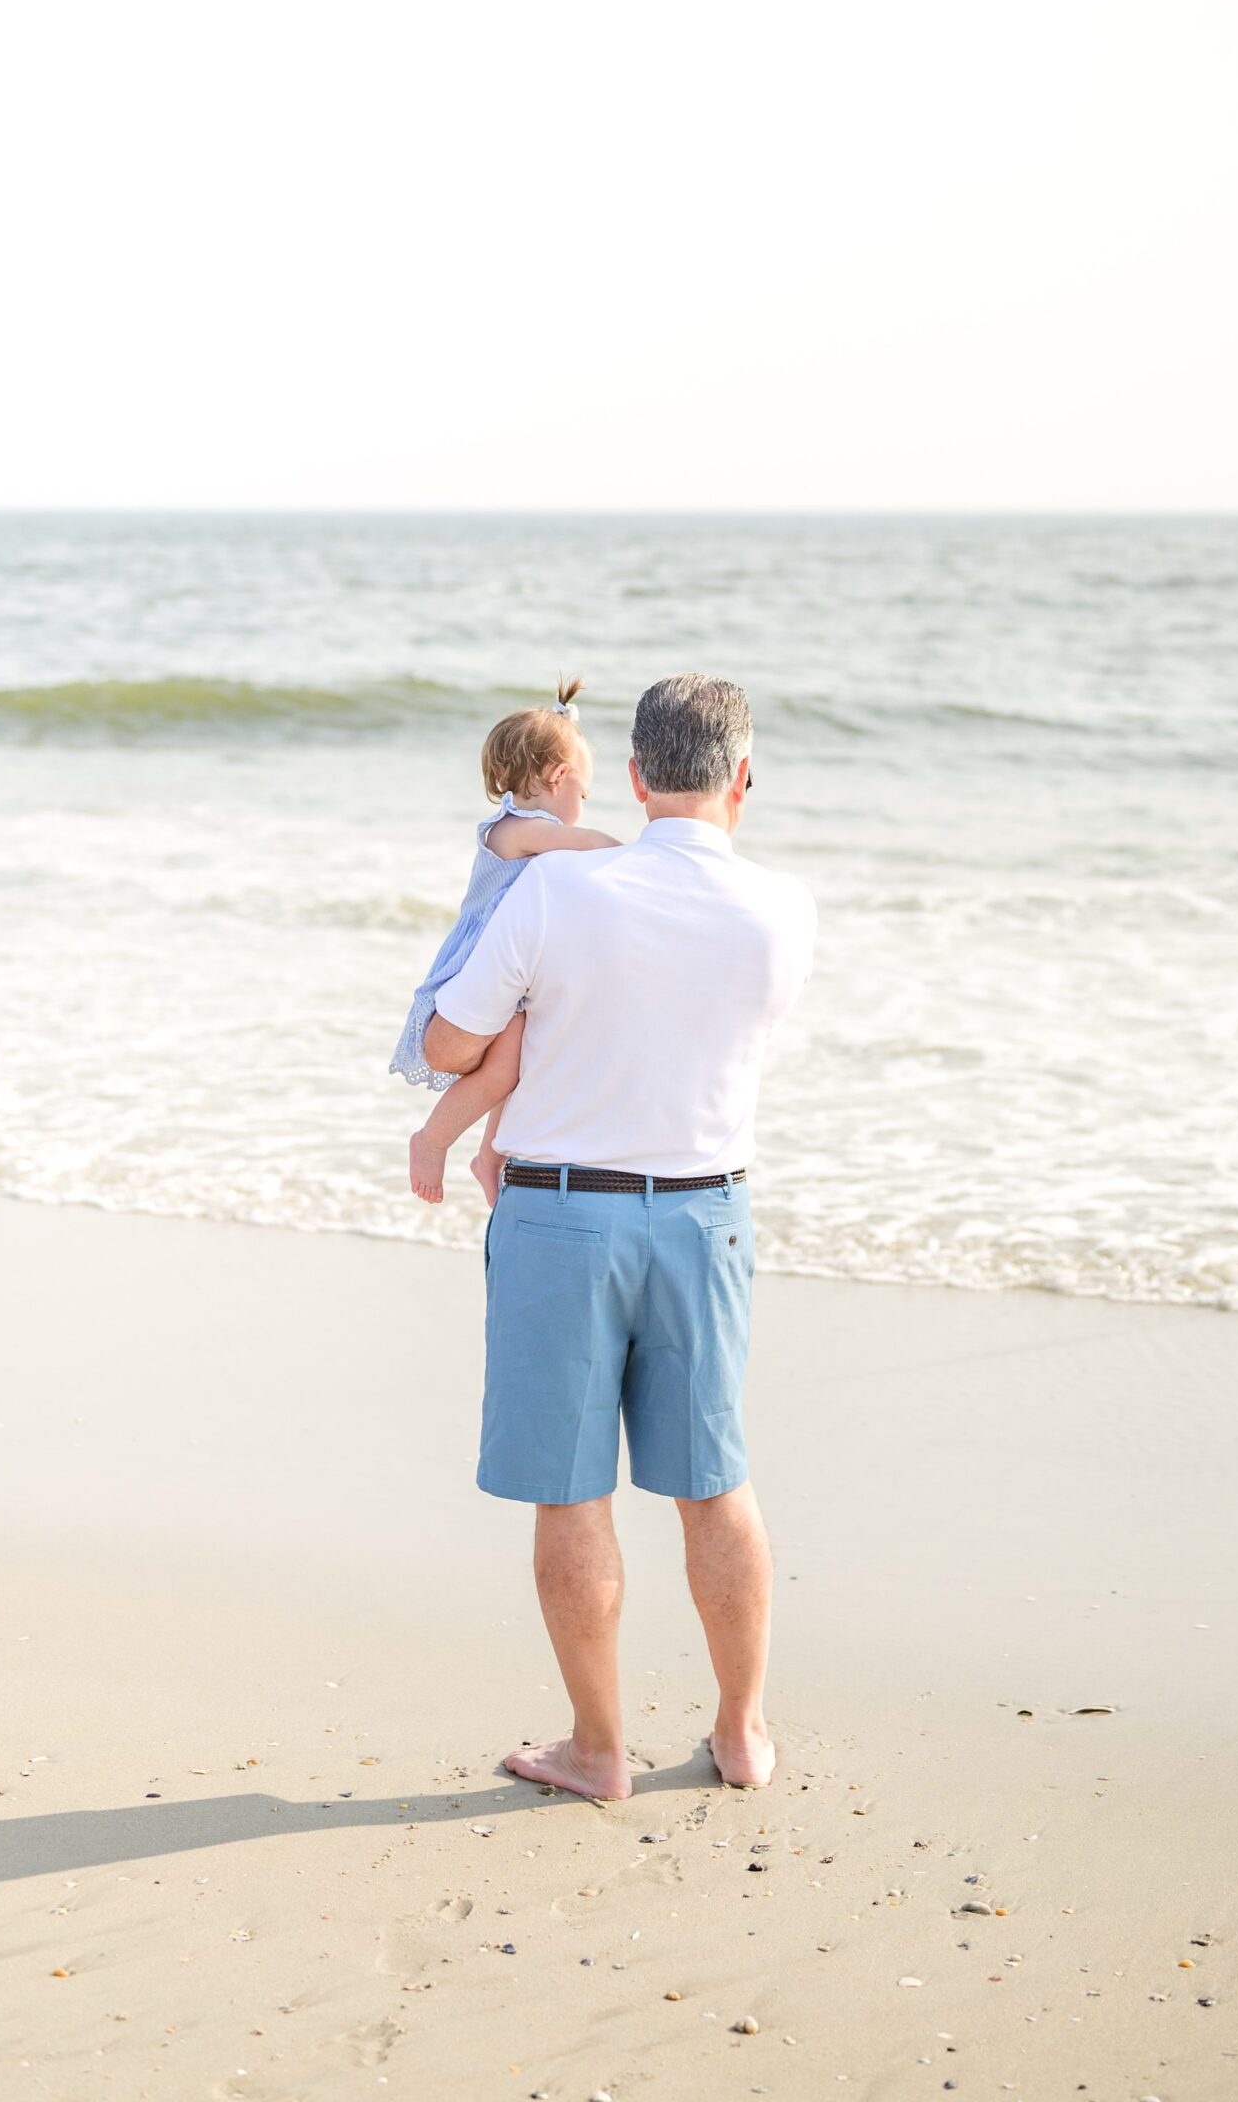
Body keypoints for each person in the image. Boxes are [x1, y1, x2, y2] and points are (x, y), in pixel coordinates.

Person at [424, 673, 817, 1801]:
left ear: (636, 778)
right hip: (705, 1213)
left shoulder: (560, 889)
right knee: (715, 1481)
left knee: (570, 1489)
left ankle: (597, 1751)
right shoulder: (783, 909)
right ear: (742, 778)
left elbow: (453, 1045)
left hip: (561, 1216)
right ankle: (740, 1734)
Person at [388, 680, 618, 1208]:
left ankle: (490, 1154)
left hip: (506, 978)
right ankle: (432, 1139)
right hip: (472, 975)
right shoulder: (517, 829)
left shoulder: (523, 829)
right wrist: (648, 854)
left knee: (513, 1072)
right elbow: (588, 845)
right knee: (503, 1073)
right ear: (560, 776)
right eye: (582, 795)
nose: (581, 807)